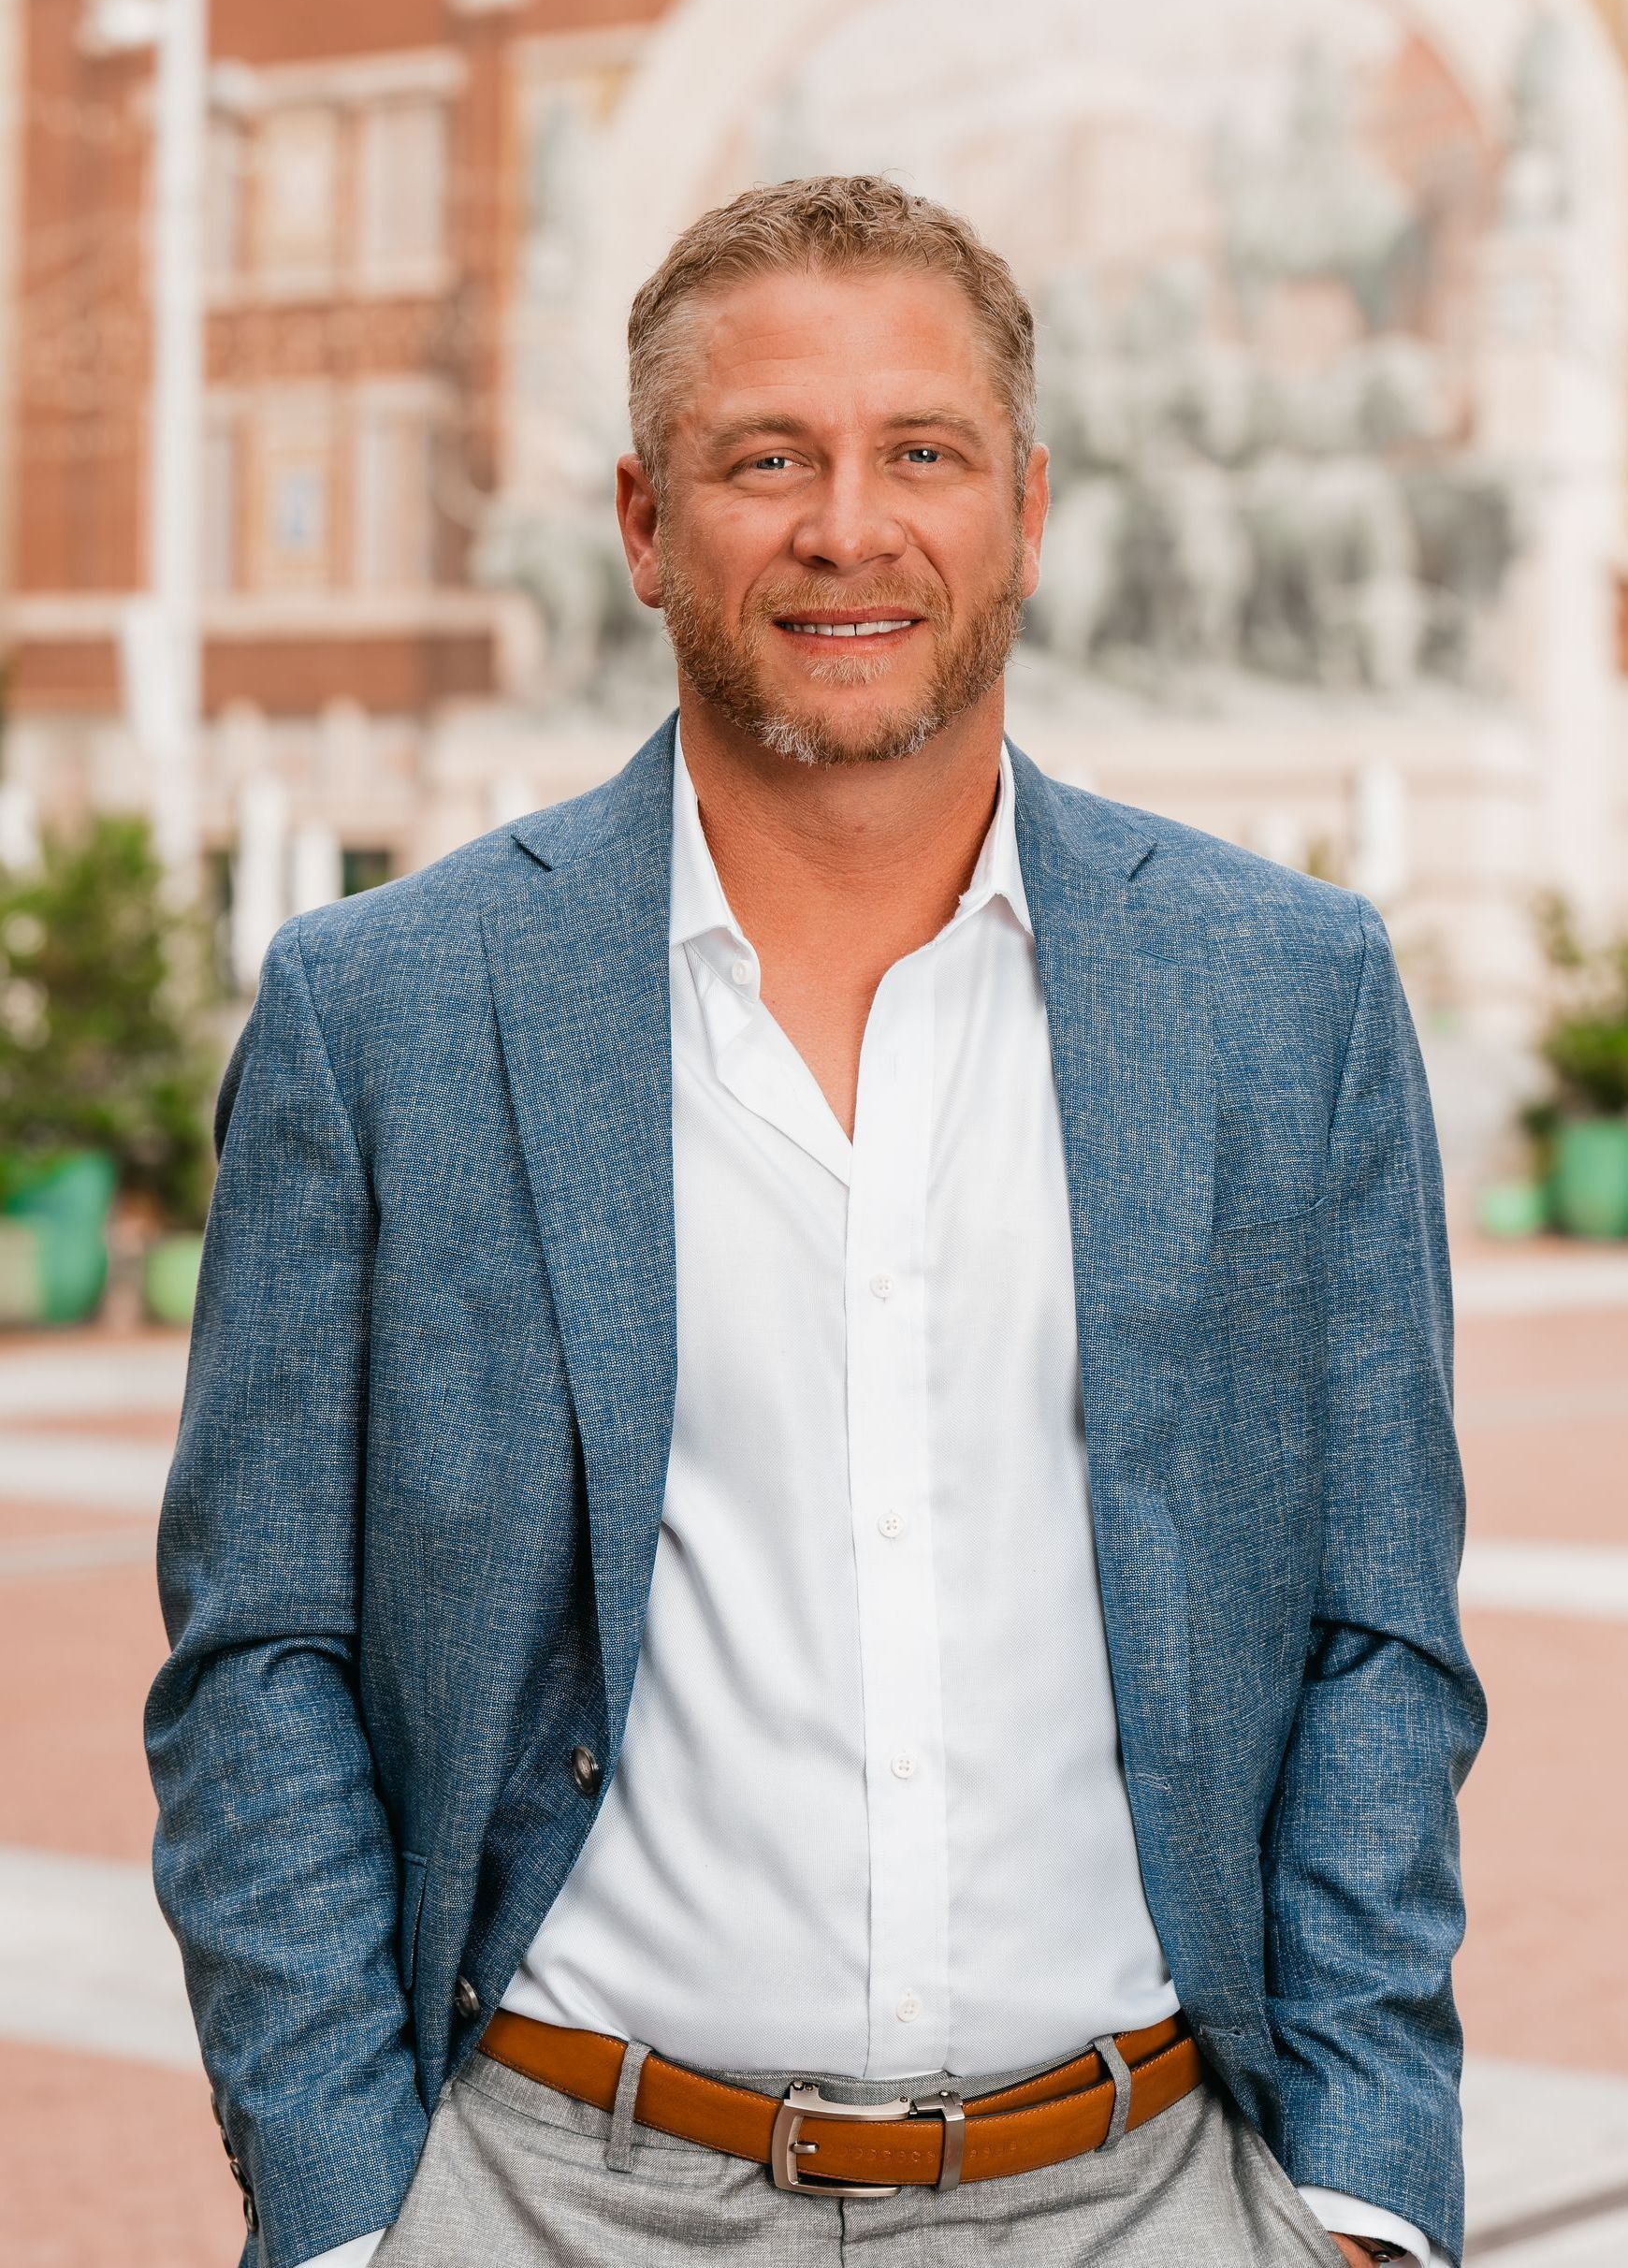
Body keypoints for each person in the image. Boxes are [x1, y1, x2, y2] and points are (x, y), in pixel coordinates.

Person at [147, 176, 1485, 2268]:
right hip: (547, 2193)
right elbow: (261, 1656)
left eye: (920, 455)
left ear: (1026, 511)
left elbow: (1379, 1631)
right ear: (642, 522)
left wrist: (1368, 2189)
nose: (848, 528)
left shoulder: (1281, 994)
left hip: (1150, 2191)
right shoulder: (384, 1012)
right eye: (766, 458)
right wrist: (344, 2216)